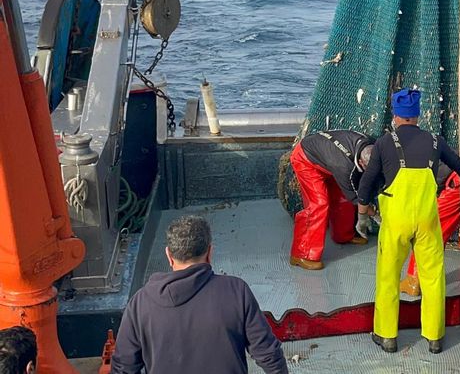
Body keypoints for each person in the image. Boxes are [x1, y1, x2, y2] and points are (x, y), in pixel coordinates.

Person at [357, 89, 460, 355]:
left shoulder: (384, 143)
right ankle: (435, 338)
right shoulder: (435, 141)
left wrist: (362, 215)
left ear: (395, 115)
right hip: (426, 219)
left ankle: (387, 336)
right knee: (432, 275)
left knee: (388, 276)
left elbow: (366, 183)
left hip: (396, 222)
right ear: (418, 115)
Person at [112, 215, 288, 374]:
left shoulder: (140, 303)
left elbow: (123, 368)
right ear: (210, 252)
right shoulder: (236, 291)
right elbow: (269, 355)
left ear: (169, 255)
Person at [289, 130, 375, 270]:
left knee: (342, 197)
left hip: (327, 157)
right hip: (305, 159)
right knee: (318, 204)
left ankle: (343, 236)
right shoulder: (345, 167)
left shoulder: (373, 145)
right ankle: (301, 253)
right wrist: (374, 214)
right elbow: (354, 196)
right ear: (360, 162)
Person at [399, 163, 460, 297]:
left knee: (427, 234)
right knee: (437, 234)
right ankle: (428, 275)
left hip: (453, 184)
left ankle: (413, 282)